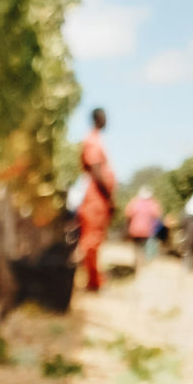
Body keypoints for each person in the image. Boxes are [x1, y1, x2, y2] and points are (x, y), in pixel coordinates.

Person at [76, 108, 116, 291]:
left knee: (95, 240)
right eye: (104, 117)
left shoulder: (97, 139)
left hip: (99, 198)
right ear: (98, 119)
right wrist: (109, 197)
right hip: (96, 198)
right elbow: (96, 170)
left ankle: (94, 280)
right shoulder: (92, 140)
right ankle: (92, 282)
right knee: (91, 241)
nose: (107, 120)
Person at [124, 186, 162, 267]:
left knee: (136, 246)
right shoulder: (152, 203)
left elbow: (127, 213)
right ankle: (143, 261)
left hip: (134, 229)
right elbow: (157, 214)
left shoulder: (134, 202)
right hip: (146, 230)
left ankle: (137, 260)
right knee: (144, 245)